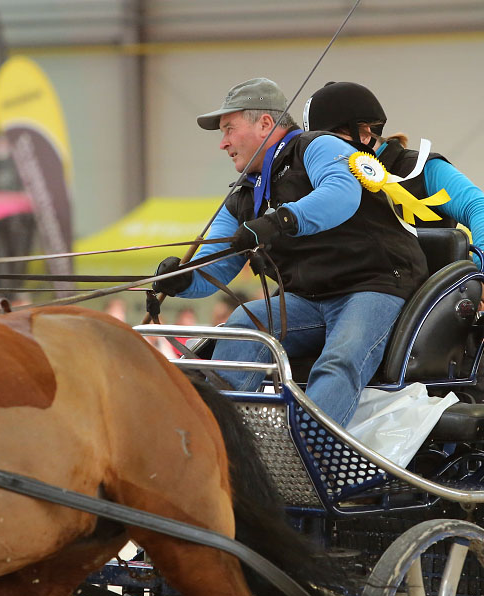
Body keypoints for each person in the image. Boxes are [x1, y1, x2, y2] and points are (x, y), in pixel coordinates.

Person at [153, 77, 430, 426]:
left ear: (265, 123)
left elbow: (342, 193)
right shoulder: (242, 195)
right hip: (309, 299)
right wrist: (182, 280)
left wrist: (280, 220)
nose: (222, 144)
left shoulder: (318, 147)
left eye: (228, 129)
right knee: (241, 327)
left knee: (340, 359)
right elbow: (219, 262)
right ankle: (222, 442)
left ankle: (308, 454)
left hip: (373, 285)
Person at [301, 81, 484, 304]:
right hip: (342, 297)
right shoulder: (326, 182)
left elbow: (481, 209)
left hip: (424, 304)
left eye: (327, 143)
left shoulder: (421, 168)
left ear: (363, 134)